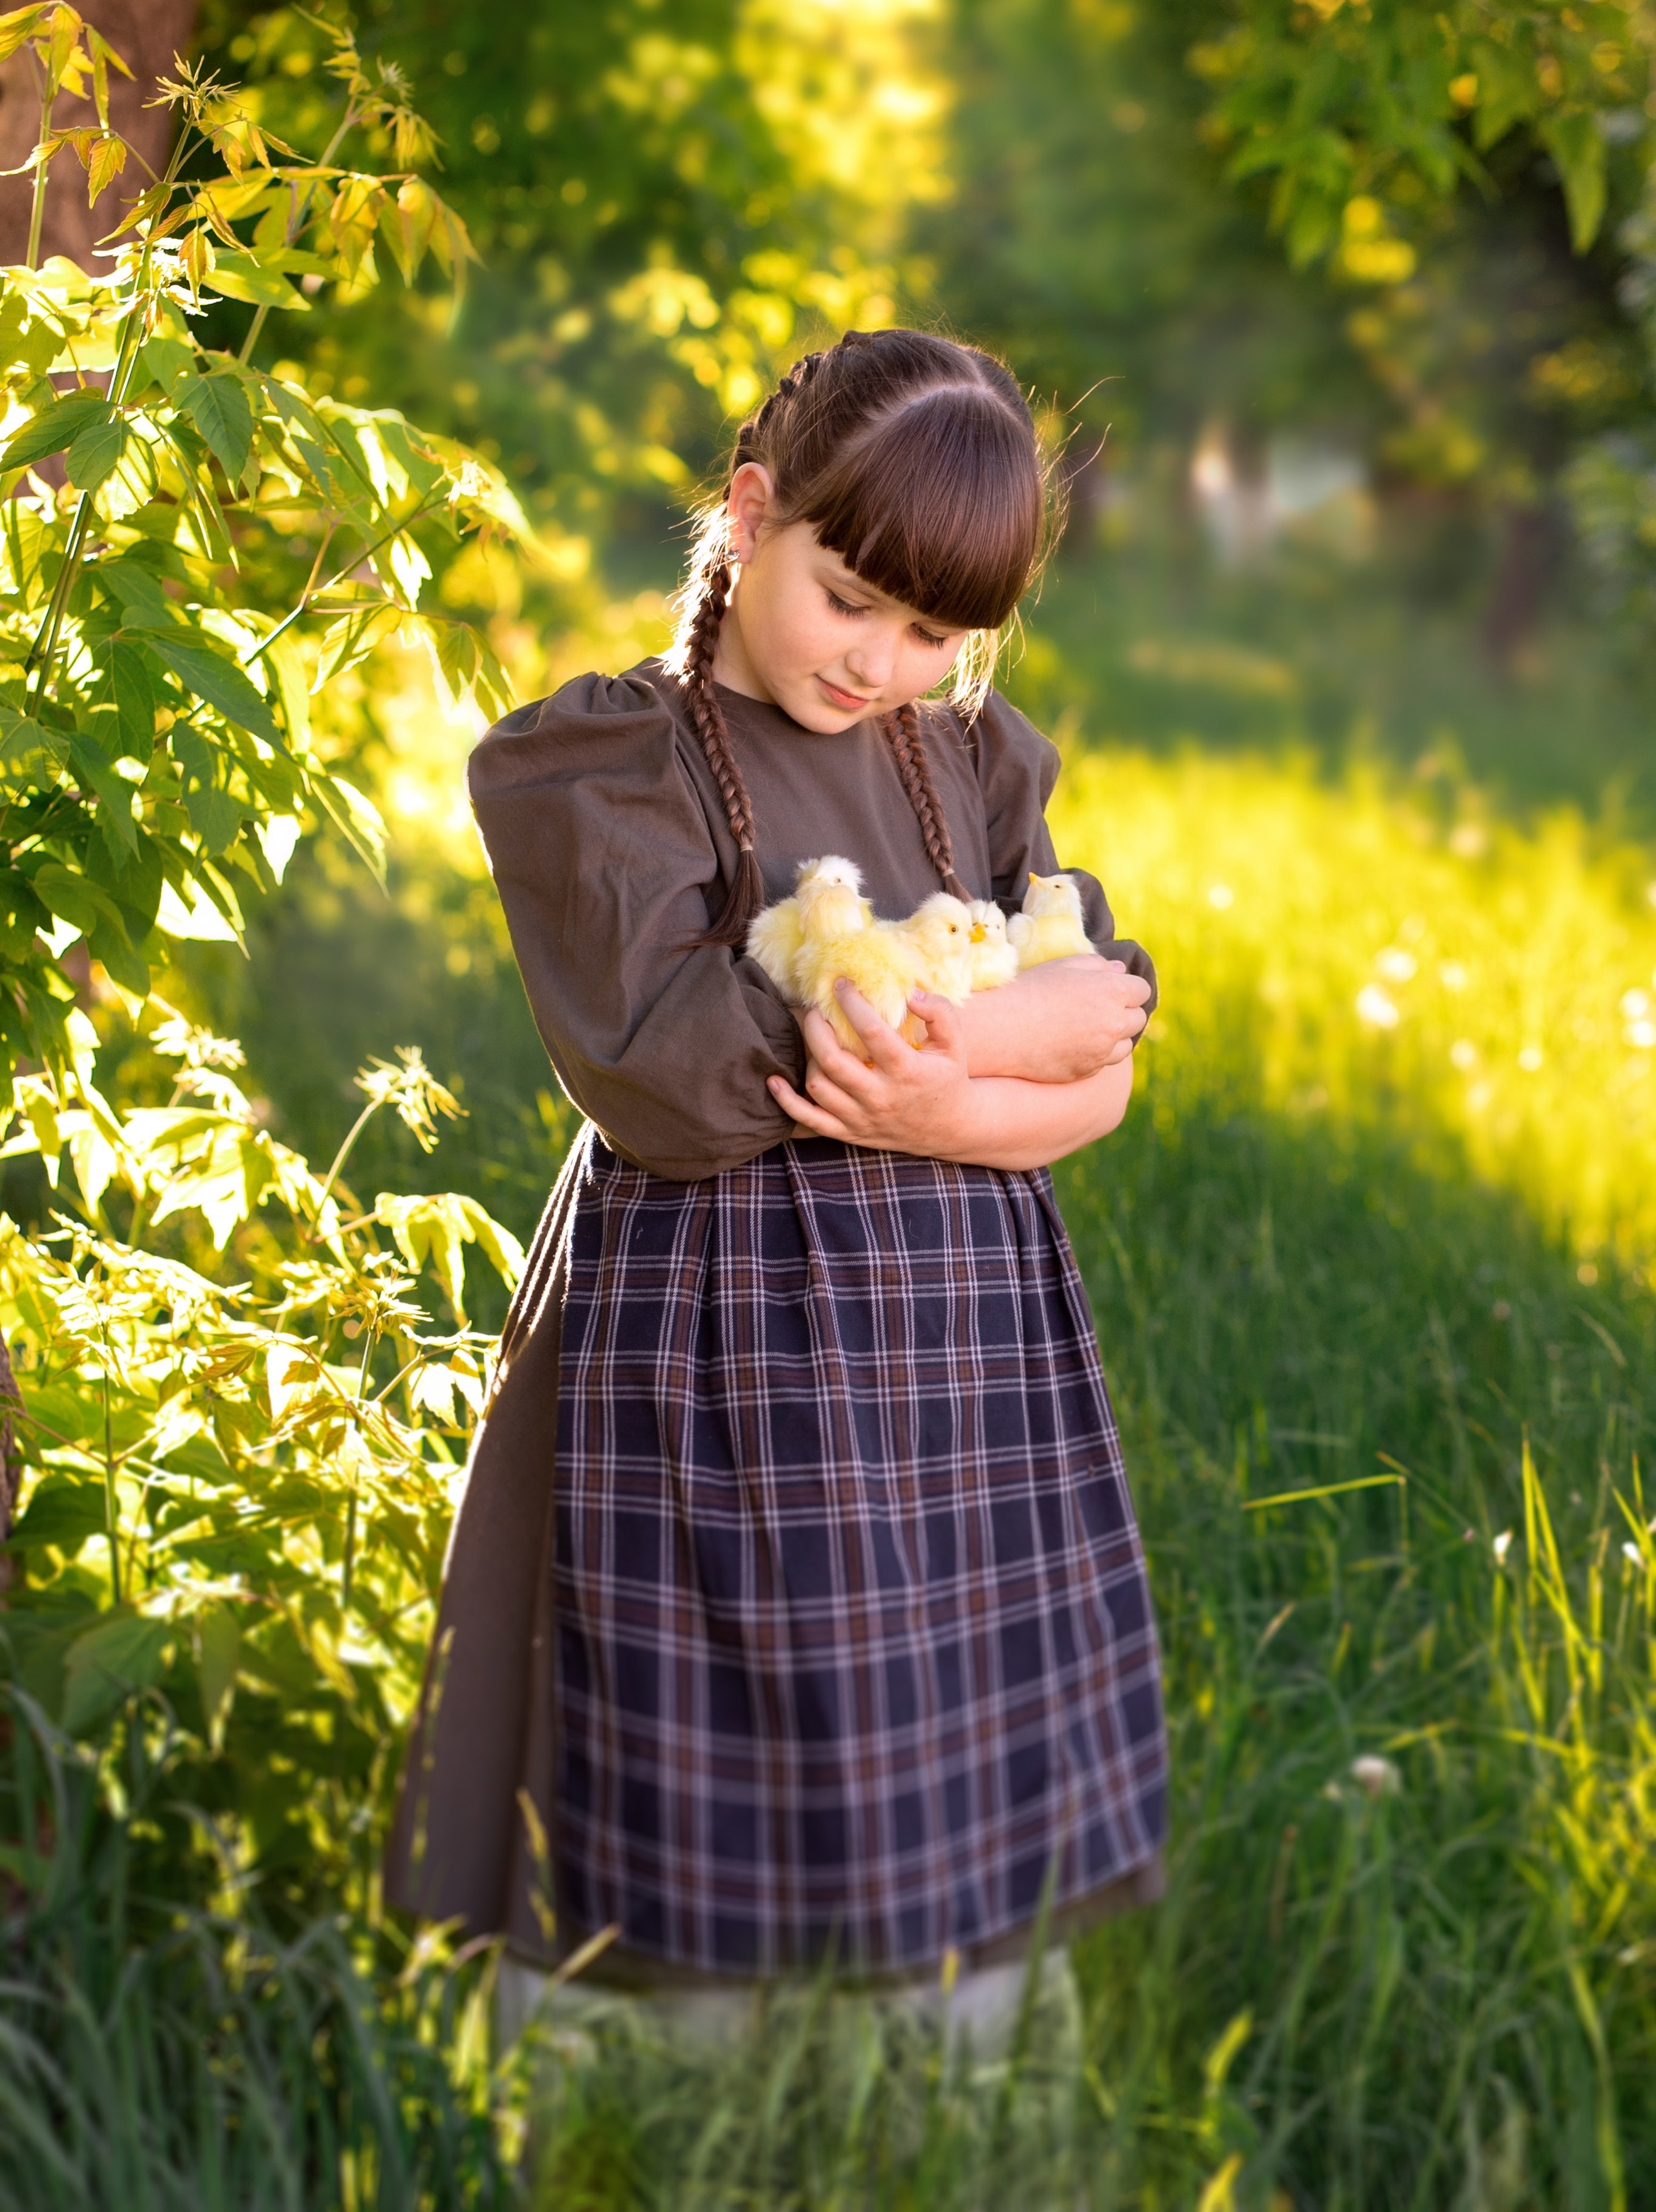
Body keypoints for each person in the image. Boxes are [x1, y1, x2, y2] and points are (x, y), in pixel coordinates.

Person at [386, 327, 1168, 2023]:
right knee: (713, 1674)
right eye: (852, 599)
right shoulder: (621, 762)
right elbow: (673, 1073)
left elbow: (1095, 1072)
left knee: (936, 1670)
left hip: (957, 1339)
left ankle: (930, 2041)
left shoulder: (972, 766)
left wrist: (974, 1084)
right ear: (750, 516)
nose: (882, 660)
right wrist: (999, 1028)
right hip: (709, 1320)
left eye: (937, 631)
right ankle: (672, 2070)